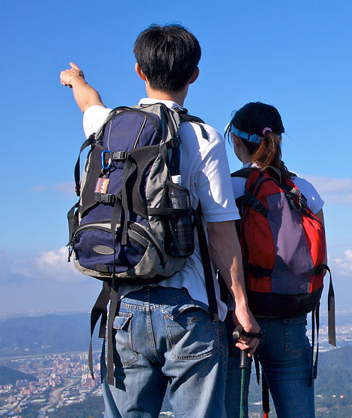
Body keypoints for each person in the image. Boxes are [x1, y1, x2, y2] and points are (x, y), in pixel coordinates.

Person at [60, 24, 260, 418]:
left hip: (124, 305)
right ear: (194, 74)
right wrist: (241, 305)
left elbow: (89, 103)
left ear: (139, 70)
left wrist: (75, 79)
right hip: (188, 309)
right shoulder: (202, 137)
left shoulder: (111, 125)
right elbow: (221, 231)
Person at [225, 102, 327, 418]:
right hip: (290, 317)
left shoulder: (230, 187)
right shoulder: (304, 189)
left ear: (238, 143)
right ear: (278, 140)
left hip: (236, 322)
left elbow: (217, 249)